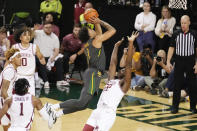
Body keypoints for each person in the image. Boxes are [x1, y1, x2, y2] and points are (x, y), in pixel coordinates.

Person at [47, 17, 116, 128]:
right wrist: (101, 22)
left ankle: (56, 114)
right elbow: (113, 30)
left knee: (83, 105)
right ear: (89, 35)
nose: (92, 29)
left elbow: (99, 32)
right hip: (93, 73)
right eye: (90, 30)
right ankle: (52, 107)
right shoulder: (96, 40)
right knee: (81, 102)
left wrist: (96, 21)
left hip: (93, 73)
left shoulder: (91, 41)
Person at [83, 31, 138, 131]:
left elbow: (129, 64)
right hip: (98, 110)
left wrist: (130, 43)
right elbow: (112, 63)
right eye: (121, 69)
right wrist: (116, 47)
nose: (122, 69)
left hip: (107, 115)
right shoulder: (112, 80)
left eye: (124, 70)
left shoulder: (124, 85)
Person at [167, 15, 197, 114]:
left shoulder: (194, 34)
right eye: (181, 23)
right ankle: (175, 107)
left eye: (185, 23)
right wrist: (168, 61)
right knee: (177, 85)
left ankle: (193, 107)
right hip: (179, 60)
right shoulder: (176, 34)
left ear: (189, 23)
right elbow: (171, 48)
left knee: (192, 85)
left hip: (190, 61)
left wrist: (196, 64)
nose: (183, 25)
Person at [12, 27, 46, 96]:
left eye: (29, 35)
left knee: (31, 99)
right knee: (18, 98)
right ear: (20, 37)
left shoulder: (34, 47)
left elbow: (42, 59)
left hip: (30, 77)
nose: (27, 37)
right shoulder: (15, 47)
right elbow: (10, 61)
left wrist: (42, 58)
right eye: (25, 35)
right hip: (18, 76)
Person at [34, 21, 67, 87]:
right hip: (39, 56)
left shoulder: (55, 37)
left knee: (59, 59)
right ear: (43, 27)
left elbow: (57, 50)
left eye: (50, 27)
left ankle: (59, 80)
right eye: (46, 27)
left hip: (50, 57)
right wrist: (34, 29)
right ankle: (46, 81)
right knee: (41, 60)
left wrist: (54, 57)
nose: (48, 29)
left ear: (52, 28)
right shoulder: (37, 33)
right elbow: (29, 34)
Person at [0, 48, 21, 131]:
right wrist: (11, 105)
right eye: (18, 57)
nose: (21, 58)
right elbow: (3, 92)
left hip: (4, 100)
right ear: (12, 59)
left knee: (7, 125)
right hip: (3, 100)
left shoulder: (12, 69)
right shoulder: (10, 71)